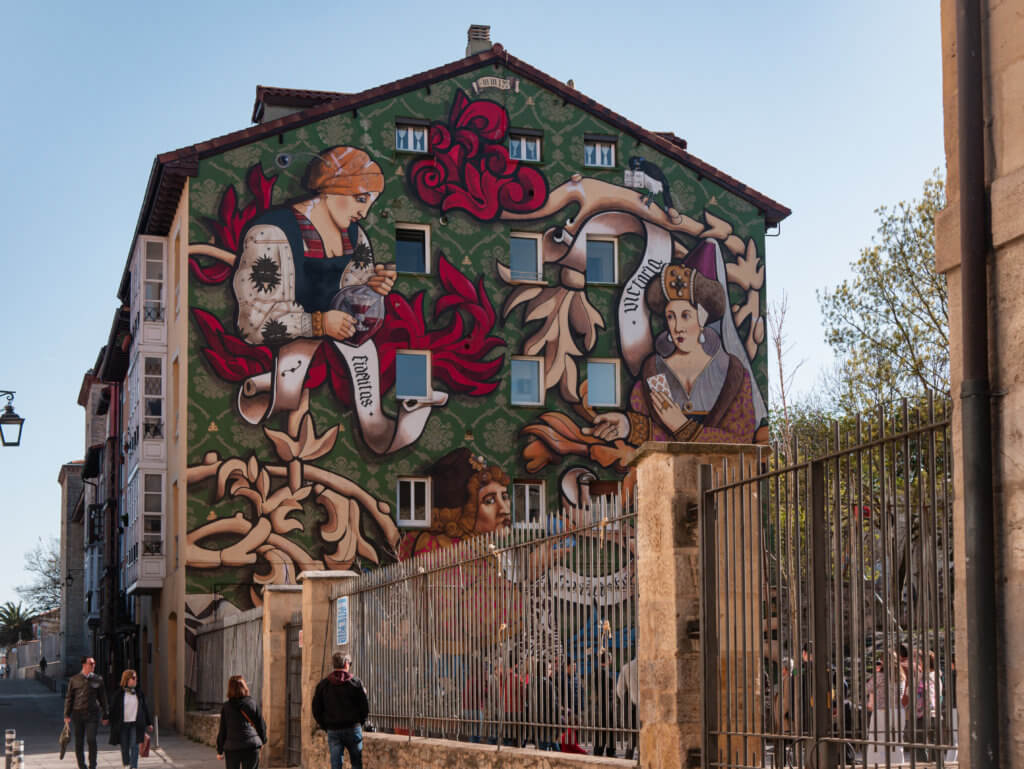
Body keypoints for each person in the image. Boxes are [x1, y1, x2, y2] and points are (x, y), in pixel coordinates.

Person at [231, 145, 396, 348]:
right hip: (283, 354)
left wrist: (371, 288)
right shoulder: (271, 234)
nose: (363, 213)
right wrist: (318, 324)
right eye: (360, 199)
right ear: (332, 186)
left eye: (370, 204)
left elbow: (354, 303)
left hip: (339, 354)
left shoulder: (355, 236)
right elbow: (253, 323)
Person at [590, 262, 757, 445]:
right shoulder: (653, 373)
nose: (677, 327)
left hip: (721, 473)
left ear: (702, 318)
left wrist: (681, 425)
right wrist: (628, 426)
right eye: (671, 316)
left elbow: (741, 440)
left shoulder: (732, 374)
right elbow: (660, 437)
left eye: (685, 316)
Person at [312, 652, 369, 769]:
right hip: (353, 728)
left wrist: (325, 725)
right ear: (346, 664)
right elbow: (364, 707)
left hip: (333, 730)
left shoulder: (323, 685)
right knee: (357, 763)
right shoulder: (355, 683)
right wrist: (359, 723)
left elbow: (316, 709)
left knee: (336, 764)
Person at [64, 656, 109, 769]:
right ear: (84, 665)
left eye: (94, 663)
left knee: (91, 739)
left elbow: (103, 698)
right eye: (91, 663)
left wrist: (105, 714)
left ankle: (92, 765)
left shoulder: (98, 679)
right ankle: (82, 766)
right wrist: (67, 714)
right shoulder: (74, 679)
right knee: (79, 742)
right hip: (78, 714)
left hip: (92, 714)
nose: (93, 665)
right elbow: (69, 698)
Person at [216, 675, 266, 769]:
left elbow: (223, 730)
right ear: (244, 687)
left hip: (232, 747)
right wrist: (262, 740)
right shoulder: (252, 703)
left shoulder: (226, 707)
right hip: (251, 746)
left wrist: (220, 750)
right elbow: (261, 725)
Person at [109, 669, 153, 769]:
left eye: (136, 678)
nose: (135, 680)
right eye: (133, 678)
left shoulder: (139, 693)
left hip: (136, 724)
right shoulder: (119, 694)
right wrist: (107, 718)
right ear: (127, 679)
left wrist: (149, 723)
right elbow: (112, 708)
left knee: (135, 746)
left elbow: (144, 708)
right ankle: (126, 764)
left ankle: (133, 766)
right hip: (123, 724)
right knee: (124, 746)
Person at [590, 649, 617, 757]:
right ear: (609, 661)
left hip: (601, 705)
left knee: (601, 730)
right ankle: (609, 752)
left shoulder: (597, 671)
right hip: (607, 705)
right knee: (609, 730)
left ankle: (599, 752)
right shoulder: (604, 672)